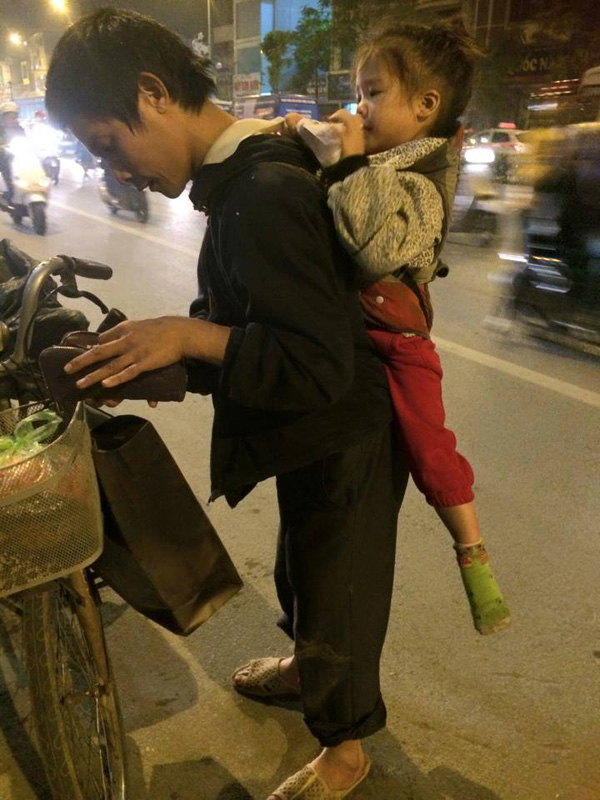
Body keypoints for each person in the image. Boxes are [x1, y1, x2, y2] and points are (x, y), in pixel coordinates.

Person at [45, 9, 408, 799]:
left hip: (345, 433)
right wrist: (155, 354)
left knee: (337, 591)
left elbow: (313, 362)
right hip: (308, 432)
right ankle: (306, 669)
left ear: (153, 93)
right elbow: (253, 327)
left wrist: (190, 336)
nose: (118, 173)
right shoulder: (238, 185)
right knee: (303, 573)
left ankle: (346, 748)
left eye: (110, 145)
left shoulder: (263, 191)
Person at [286, 18, 511, 637]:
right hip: (349, 342)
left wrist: (349, 162)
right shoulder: (380, 158)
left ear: (426, 106)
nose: (359, 106)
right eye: (359, 92)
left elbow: (375, 248)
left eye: (374, 92)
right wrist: (297, 131)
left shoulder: (421, 182)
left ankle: (471, 551)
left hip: (399, 342)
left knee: (429, 447)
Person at [0, 101, 25, 202]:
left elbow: (26, 140)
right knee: (6, 169)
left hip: (19, 157)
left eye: (14, 116)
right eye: (9, 117)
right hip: (4, 157)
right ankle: (8, 192)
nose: (12, 119)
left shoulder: (20, 129)